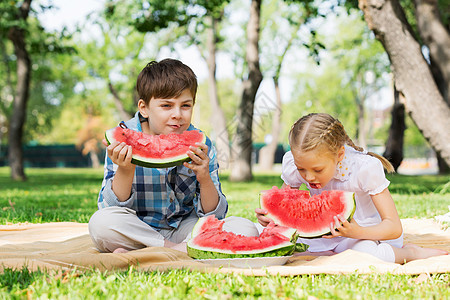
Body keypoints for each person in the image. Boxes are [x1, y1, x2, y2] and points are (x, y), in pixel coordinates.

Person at [89, 59, 259, 253]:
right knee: (100, 224)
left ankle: (150, 251)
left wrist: (204, 177)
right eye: (167, 106)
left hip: (184, 228)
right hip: (138, 227)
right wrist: (125, 169)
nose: (178, 114)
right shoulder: (122, 140)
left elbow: (215, 215)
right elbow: (110, 207)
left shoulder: (201, 144)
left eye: (185, 106)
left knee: (245, 228)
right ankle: (181, 250)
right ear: (144, 107)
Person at [256, 113, 448, 263]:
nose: (308, 177)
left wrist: (355, 232)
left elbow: (394, 227)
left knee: (363, 253)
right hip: (322, 237)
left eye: (318, 169)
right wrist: (272, 218)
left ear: (339, 155)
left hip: (367, 234)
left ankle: (410, 252)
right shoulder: (295, 163)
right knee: (259, 232)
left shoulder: (363, 169)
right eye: (301, 169)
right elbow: (284, 205)